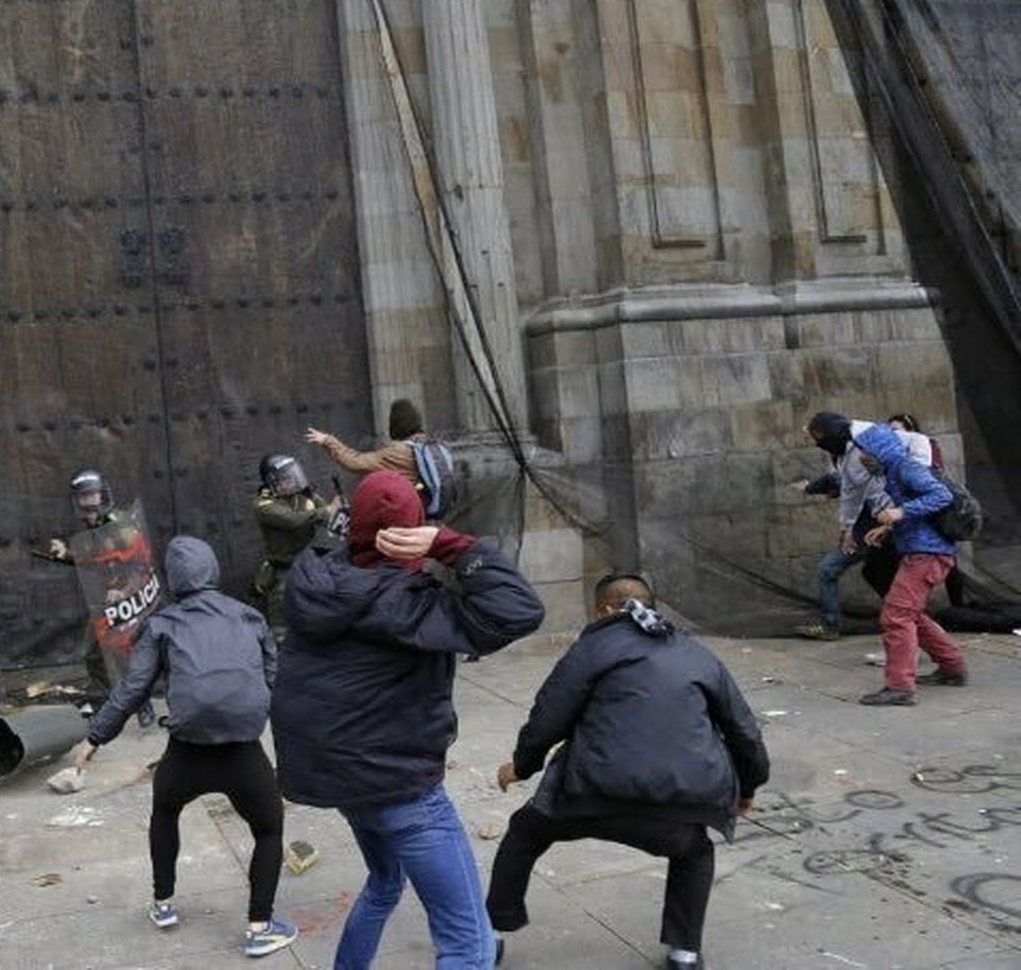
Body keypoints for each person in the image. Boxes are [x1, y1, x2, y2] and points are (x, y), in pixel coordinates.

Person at [272, 470, 545, 970]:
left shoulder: (317, 580)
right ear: (412, 533)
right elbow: (521, 609)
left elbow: (347, 548)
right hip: (402, 790)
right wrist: (452, 546)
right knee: (471, 947)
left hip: (344, 783)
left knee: (383, 884)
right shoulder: (408, 605)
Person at [488, 573, 770, 970]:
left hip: (589, 795)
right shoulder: (696, 654)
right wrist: (749, 786)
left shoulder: (593, 646)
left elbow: (550, 715)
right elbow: (744, 730)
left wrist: (522, 766)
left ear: (604, 610)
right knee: (695, 852)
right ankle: (684, 953)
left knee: (524, 831)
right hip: (676, 805)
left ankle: (489, 935)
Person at [73, 536, 297, 959]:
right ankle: (259, 927)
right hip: (243, 752)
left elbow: (132, 689)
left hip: (186, 751)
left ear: (174, 580)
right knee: (268, 829)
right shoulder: (250, 617)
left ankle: (163, 904)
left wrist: (94, 738)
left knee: (165, 810)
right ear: (212, 570)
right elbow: (275, 682)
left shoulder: (162, 624)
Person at [852, 424, 967, 705]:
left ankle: (900, 688)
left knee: (896, 616)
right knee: (910, 614)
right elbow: (919, 513)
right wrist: (890, 528)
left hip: (927, 553)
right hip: (922, 551)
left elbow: (941, 496)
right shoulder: (894, 472)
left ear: (880, 449)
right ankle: (952, 668)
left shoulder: (906, 468)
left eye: (866, 451)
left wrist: (901, 512)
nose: (862, 457)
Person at [788, 412, 891, 640]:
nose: (816, 443)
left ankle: (833, 625)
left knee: (831, 568)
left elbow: (853, 493)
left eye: (817, 436)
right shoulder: (846, 455)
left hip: (886, 522)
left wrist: (850, 530)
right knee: (876, 574)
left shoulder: (863, 448)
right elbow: (845, 487)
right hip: (876, 523)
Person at [46, 469, 143, 702]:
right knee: (92, 653)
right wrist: (66, 554)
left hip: (131, 598)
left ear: (103, 495)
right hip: (107, 601)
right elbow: (94, 560)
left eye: (93, 494)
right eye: (83, 496)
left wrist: (123, 590)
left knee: (133, 651)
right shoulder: (91, 527)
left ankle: (140, 699)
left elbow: (141, 565)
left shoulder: (121, 526)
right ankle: (112, 698)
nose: (88, 500)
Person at [251, 454, 340, 635]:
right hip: (284, 569)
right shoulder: (264, 504)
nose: (289, 483)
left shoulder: (305, 497)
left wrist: (339, 510)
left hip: (310, 566)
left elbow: (329, 516)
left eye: (291, 478)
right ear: (271, 483)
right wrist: (326, 510)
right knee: (282, 627)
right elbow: (291, 520)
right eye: (283, 480)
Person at [887, 413, 969, 609]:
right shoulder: (896, 458)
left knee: (945, 560)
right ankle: (914, 608)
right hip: (912, 520)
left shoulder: (922, 450)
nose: (893, 436)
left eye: (897, 431)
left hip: (932, 515)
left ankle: (957, 606)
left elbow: (937, 488)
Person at [305, 399, 425, 484]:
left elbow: (356, 462)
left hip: (413, 513)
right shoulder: (431, 445)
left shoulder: (398, 453)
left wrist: (327, 440)